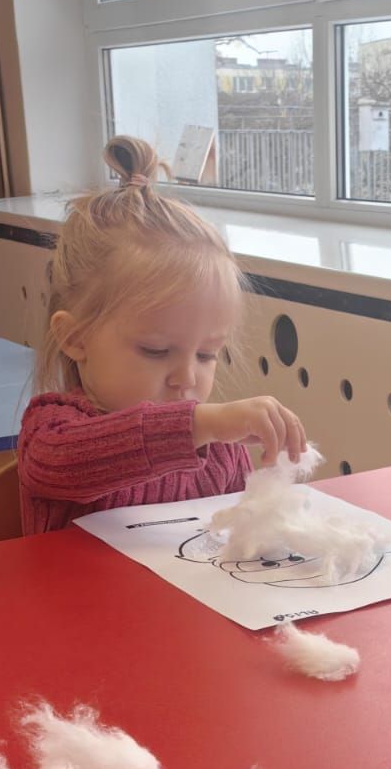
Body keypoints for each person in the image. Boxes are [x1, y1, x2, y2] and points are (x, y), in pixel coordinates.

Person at [17, 136, 306, 535]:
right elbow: (64, 463)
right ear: (76, 338)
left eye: (206, 355)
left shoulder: (220, 453)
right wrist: (196, 425)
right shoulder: (52, 433)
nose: (186, 377)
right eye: (156, 350)